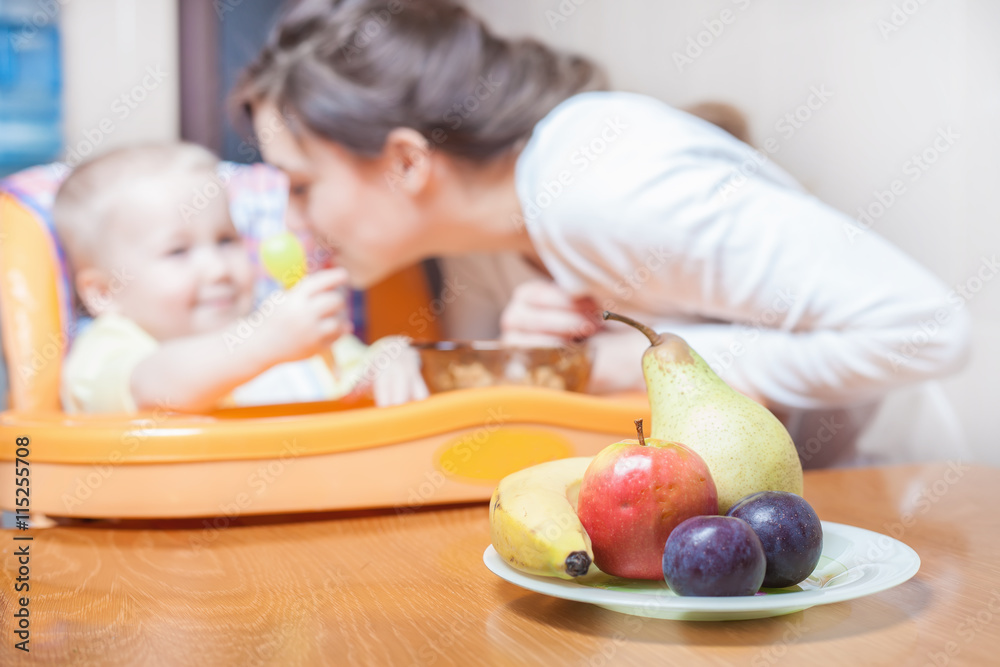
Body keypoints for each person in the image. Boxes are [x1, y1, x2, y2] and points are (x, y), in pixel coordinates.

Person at [232, 0, 970, 465]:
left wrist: (638, 362)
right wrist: (535, 360)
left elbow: (928, 329)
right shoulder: (474, 240)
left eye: (301, 184)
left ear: (406, 161)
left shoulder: (601, 186)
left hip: (884, 497)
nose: (291, 220)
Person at [54, 142, 402, 413]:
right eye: (178, 251)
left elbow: (357, 372)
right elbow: (153, 388)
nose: (219, 269)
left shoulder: (277, 322)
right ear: (104, 292)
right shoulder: (108, 348)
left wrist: (392, 362)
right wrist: (265, 342)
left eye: (226, 240)